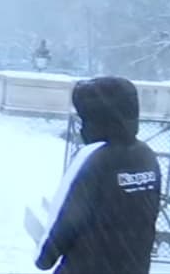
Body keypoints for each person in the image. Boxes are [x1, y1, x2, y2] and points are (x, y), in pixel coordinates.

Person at [35, 76, 161, 274]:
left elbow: (66, 219)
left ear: (94, 117)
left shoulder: (92, 157)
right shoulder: (146, 156)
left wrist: (44, 258)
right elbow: (149, 215)